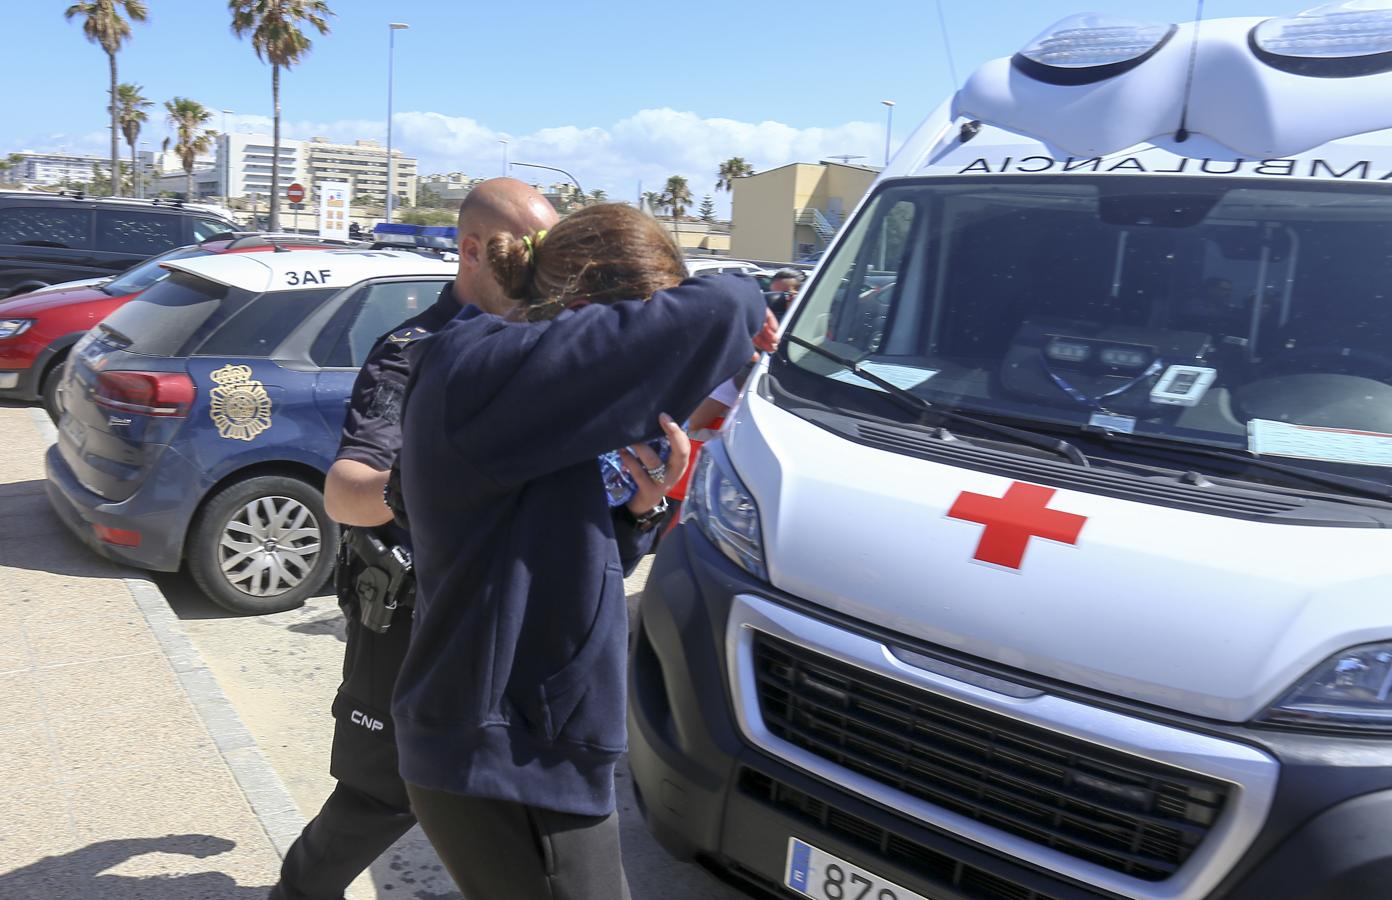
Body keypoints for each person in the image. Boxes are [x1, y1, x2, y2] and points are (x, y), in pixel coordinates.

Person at [268, 180, 685, 900]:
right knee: (377, 800)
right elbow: (344, 492)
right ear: (473, 250)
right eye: (534, 252)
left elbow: (583, 548)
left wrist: (641, 509)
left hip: (523, 655)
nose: (551, 274)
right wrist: (439, 479)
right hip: (415, 628)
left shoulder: (546, 357)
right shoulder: (418, 352)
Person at [394, 203, 776, 899]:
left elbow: (561, 561)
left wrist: (637, 511)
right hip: (506, 757)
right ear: (591, 311)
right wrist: (754, 299)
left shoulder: (524, 399)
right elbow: (721, 308)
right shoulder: (478, 369)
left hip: (527, 747)